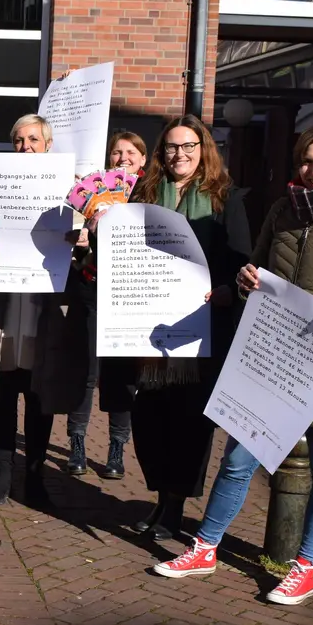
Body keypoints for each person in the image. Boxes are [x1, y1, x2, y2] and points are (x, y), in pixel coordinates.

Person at [153, 120, 313, 604]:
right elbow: (258, 266)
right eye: (308, 160)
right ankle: (205, 547)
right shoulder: (284, 208)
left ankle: (305, 566)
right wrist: (247, 279)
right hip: (274, 353)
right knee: (239, 456)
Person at [104, 115, 247, 541]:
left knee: (187, 422)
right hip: (148, 328)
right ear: (161, 153)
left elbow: (241, 260)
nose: (179, 154)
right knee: (149, 419)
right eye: (171, 147)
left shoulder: (226, 199)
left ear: (204, 150)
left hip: (200, 328)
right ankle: (160, 495)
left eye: (188, 146)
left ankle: (173, 506)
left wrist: (226, 290)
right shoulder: (142, 194)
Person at [0, 114, 88, 506]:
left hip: (43, 309)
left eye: (33, 139)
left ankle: (34, 475)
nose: (25, 147)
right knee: (3, 390)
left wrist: (80, 246)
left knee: (38, 394)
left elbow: (84, 265)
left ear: (48, 145)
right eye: (18, 140)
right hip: (1, 307)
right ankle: (2, 471)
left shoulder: (69, 199)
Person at [63, 129, 148, 480]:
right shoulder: (93, 193)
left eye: (131, 152)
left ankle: (116, 448)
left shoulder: (150, 194)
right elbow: (73, 251)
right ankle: (77, 443)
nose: (123, 158)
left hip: (128, 298)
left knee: (123, 375)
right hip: (91, 287)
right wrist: (81, 241)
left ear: (143, 159)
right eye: (116, 152)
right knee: (85, 371)